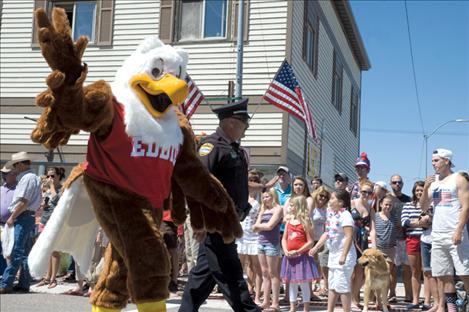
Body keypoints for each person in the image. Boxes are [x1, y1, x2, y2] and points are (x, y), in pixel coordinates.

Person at [180, 99, 260, 312]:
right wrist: (201, 221)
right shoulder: (213, 145)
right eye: (245, 123)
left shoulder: (233, 148)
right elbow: (198, 182)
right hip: (216, 222)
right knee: (232, 276)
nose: (246, 128)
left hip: (228, 222)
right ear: (231, 122)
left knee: (201, 279)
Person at [420, 148, 469, 312]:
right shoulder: (433, 183)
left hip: (455, 234)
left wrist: (459, 230)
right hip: (438, 234)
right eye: (433, 160)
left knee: (464, 273)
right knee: (443, 275)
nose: (433, 163)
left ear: (446, 161)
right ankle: (451, 308)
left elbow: (466, 206)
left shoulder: (459, 178)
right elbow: (424, 207)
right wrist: (426, 186)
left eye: (436, 160)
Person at [0, 152, 42, 293]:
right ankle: (24, 283)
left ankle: (6, 283)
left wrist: (12, 217)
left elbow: (24, 201)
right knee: (24, 252)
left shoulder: (27, 178)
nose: (15, 169)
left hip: (23, 216)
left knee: (15, 251)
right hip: (27, 217)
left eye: (15, 165)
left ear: (20, 164)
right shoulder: (31, 177)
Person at [309, 190, 356, 312]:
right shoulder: (331, 214)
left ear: (340, 202)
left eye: (332, 198)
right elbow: (327, 233)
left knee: (343, 286)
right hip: (333, 254)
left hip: (344, 255)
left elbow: (349, 236)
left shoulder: (346, 215)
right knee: (333, 285)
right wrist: (316, 247)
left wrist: (344, 255)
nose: (330, 201)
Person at [281, 195, 319, 312]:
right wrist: (286, 250)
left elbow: (310, 241)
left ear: (299, 206)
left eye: (292, 205)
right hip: (290, 257)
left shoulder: (306, 221)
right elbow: (284, 239)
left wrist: (298, 251)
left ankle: (306, 308)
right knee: (291, 283)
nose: (290, 207)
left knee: (304, 283)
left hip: (302, 257)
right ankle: (292, 307)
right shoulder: (289, 222)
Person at [35, 167, 66, 289]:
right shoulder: (47, 189)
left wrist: (52, 187)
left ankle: (53, 279)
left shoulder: (63, 188)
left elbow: (57, 200)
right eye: (48, 176)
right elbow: (47, 202)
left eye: (52, 176)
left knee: (55, 251)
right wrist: (43, 205)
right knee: (47, 250)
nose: (50, 179)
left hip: (55, 222)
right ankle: (47, 277)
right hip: (45, 220)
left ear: (59, 176)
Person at [253, 188, 283, 311]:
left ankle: (275, 303)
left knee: (273, 273)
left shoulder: (278, 209)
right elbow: (256, 227)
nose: (265, 199)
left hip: (272, 244)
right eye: (264, 197)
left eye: (267, 196)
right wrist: (259, 226)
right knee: (264, 273)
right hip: (261, 243)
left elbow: (270, 226)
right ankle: (265, 301)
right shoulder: (263, 209)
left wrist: (258, 226)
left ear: (273, 196)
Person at [237, 171, 263, 304]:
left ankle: (257, 296)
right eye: (250, 180)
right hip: (241, 235)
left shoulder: (261, 197)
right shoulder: (242, 195)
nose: (252, 182)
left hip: (255, 236)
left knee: (256, 267)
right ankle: (241, 294)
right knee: (239, 266)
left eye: (255, 180)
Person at [350, 180, 376, 309]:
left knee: (360, 272)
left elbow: (372, 229)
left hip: (363, 241)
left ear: (372, 194)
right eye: (363, 191)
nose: (365, 194)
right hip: (350, 239)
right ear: (359, 191)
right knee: (350, 271)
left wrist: (374, 247)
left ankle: (354, 297)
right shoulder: (352, 203)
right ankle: (350, 296)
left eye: (369, 192)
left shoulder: (371, 208)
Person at [401, 181, 425, 309]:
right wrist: (421, 222)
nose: (419, 192)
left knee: (427, 272)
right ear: (414, 192)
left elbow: (431, 222)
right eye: (417, 190)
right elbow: (404, 222)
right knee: (415, 271)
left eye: (421, 190)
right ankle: (415, 300)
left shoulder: (429, 204)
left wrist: (414, 222)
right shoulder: (407, 205)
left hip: (427, 239)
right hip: (412, 239)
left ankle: (427, 301)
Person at [389, 174, 413, 302]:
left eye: (399, 182)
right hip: (391, 240)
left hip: (406, 238)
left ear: (403, 184)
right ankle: (392, 295)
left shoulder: (408, 199)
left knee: (407, 269)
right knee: (392, 269)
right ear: (390, 184)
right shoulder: (386, 199)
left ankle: (408, 295)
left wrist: (403, 224)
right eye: (394, 182)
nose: (397, 184)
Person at [372, 194, 399, 296]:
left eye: (390, 205)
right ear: (381, 204)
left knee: (387, 274)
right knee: (377, 274)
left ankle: (384, 298)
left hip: (391, 249)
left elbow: (398, 228)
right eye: (386, 204)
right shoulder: (375, 216)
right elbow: (370, 229)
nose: (388, 207)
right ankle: (376, 297)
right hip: (378, 249)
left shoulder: (394, 217)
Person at [310, 186, 331, 297]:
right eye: (321, 195)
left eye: (325, 197)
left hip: (321, 240)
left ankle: (318, 282)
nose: (323, 198)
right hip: (310, 239)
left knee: (320, 263)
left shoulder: (326, 210)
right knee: (311, 262)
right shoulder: (312, 207)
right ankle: (311, 282)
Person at [0, 165, 17, 274]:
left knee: (9, 251)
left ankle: (10, 275)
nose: (4, 175)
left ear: (14, 174)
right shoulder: (1, 188)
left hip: (12, 224)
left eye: (7, 173)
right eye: (4, 173)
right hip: (0, 224)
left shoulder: (19, 189)